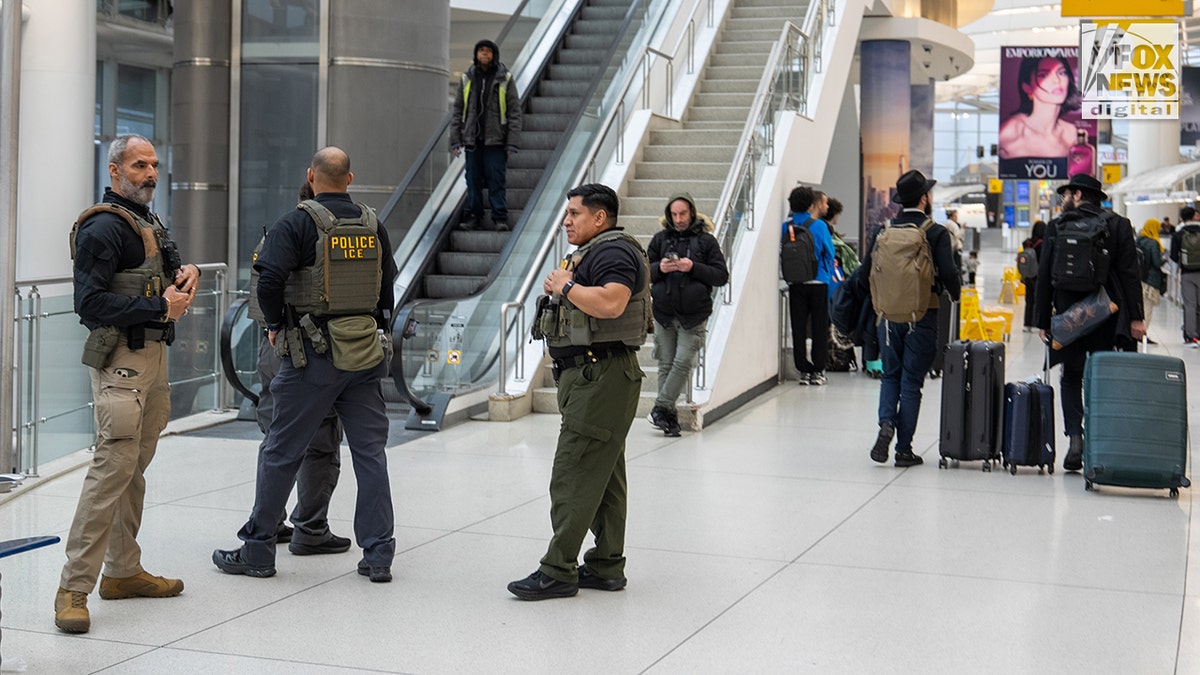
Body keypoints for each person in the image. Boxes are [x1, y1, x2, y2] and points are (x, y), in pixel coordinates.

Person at [213, 147, 399, 583]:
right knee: (371, 454)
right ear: (349, 179)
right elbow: (386, 285)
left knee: (282, 450)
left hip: (312, 356)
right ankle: (379, 555)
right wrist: (378, 332)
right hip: (365, 355)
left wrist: (277, 325)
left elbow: (270, 279)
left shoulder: (297, 222)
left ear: (311, 176)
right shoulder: (373, 224)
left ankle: (258, 549)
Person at [55, 134, 200, 634]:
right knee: (111, 467)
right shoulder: (101, 228)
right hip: (121, 362)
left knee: (133, 468)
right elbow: (88, 305)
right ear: (115, 170)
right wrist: (160, 306)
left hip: (153, 359)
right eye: (140, 165)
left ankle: (122, 571)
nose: (151, 173)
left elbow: (158, 275)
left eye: (155, 165)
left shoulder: (146, 221)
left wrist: (187, 275)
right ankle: (73, 589)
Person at [511, 183, 649, 601]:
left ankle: (557, 570)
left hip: (600, 376)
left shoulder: (612, 252)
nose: (567, 221)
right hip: (592, 375)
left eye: (574, 213)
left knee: (572, 472)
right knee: (604, 475)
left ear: (600, 217)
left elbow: (612, 303)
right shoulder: (596, 251)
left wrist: (566, 286)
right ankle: (606, 565)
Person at [248, 180, 351, 555]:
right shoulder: (330, 235)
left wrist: (274, 327)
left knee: (275, 440)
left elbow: (263, 294)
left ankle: (269, 521)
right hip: (313, 351)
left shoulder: (277, 233)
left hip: (272, 348)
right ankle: (310, 527)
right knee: (322, 441)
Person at [1035, 173, 1144, 472]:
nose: (1063, 199)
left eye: (1067, 193)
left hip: (1069, 316)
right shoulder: (1118, 225)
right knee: (1100, 376)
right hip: (1105, 313)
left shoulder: (1058, 226)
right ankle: (1098, 442)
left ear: (1080, 195)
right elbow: (1129, 274)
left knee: (1071, 376)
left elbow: (1044, 277)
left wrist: (1042, 320)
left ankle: (1075, 439)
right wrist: (1136, 318)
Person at [864, 170, 960, 467]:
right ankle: (903, 449)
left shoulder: (883, 230)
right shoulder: (936, 231)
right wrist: (955, 294)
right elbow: (949, 273)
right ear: (924, 198)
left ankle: (885, 425)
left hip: (888, 317)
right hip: (922, 315)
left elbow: (867, 269)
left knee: (890, 376)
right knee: (911, 382)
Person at [645, 192, 728, 437]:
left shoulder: (706, 242)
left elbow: (721, 275)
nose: (679, 219)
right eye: (674, 214)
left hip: (694, 315)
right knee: (666, 364)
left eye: (683, 213)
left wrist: (693, 267)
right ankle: (667, 418)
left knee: (683, 363)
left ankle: (660, 407)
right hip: (663, 313)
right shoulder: (660, 240)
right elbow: (643, 272)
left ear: (692, 212)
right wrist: (659, 268)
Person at [450, 39, 522, 231]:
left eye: (488, 51)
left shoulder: (505, 78)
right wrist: (456, 140)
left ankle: (500, 217)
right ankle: (474, 215)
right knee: (472, 179)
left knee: (496, 179)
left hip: (496, 141)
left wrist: (511, 142)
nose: (484, 54)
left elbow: (515, 111)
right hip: (472, 140)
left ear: (494, 55)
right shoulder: (468, 78)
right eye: (481, 51)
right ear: (476, 54)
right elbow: (457, 110)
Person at [782, 186, 836, 385]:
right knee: (819, 327)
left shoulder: (785, 226)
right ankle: (818, 371)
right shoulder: (820, 226)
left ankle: (803, 370)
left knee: (798, 327)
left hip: (796, 282)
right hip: (818, 281)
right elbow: (829, 252)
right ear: (811, 205)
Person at [998, 56, 1081, 160]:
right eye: (1044, 75)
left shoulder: (1071, 133)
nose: (1056, 80)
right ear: (1027, 87)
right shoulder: (1010, 132)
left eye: (1062, 73)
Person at [1170, 206, 1200, 346]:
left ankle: (1190, 337)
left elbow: (1174, 258)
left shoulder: (1178, 234)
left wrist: (1175, 275)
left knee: (1190, 305)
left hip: (1187, 274)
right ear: (1195, 215)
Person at [1137, 218, 1166, 342]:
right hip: (1150, 280)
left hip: (1139, 278)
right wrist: (1164, 259)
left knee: (1140, 308)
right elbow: (1157, 262)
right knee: (1147, 309)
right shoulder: (1154, 243)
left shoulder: (1138, 240)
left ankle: (1138, 332)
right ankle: (1142, 334)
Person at [1020, 220, 1047, 331]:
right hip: (1038, 276)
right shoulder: (1042, 244)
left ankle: (1027, 324)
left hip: (1028, 275)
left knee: (1029, 300)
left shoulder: (1027, 243)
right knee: (1037, 299)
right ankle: (1036, 323)